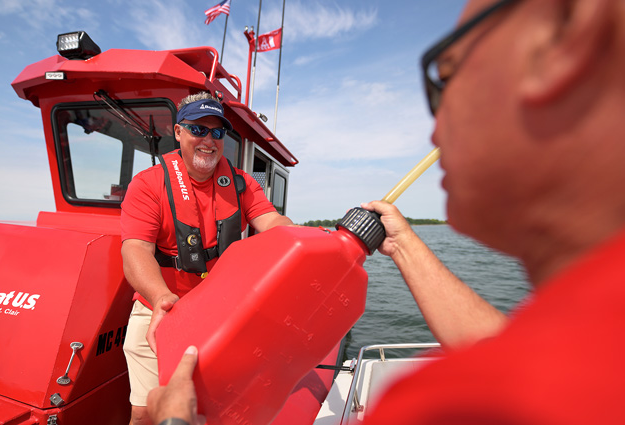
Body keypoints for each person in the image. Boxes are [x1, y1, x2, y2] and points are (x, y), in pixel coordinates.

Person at [148, 0, 625, 423]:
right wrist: (401, 244)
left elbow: (273, 226)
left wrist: (173, 423)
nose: (435, 127)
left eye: (448, 73)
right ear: (180, 136)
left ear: (569, 43)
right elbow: (516, 354)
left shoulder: (443, 404)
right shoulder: (597, 344)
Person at [120, 91, 293, 425]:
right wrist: (160, 299)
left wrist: (298, 237)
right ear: (179, 132)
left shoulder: (243, 185)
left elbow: (273, 223)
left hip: (221, 311)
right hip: (159, 309)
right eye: (199, 129)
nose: (209, 140)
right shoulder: (147, 185)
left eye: (217, 132)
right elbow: (135, 250)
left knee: (219, 408)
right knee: (144, 413)